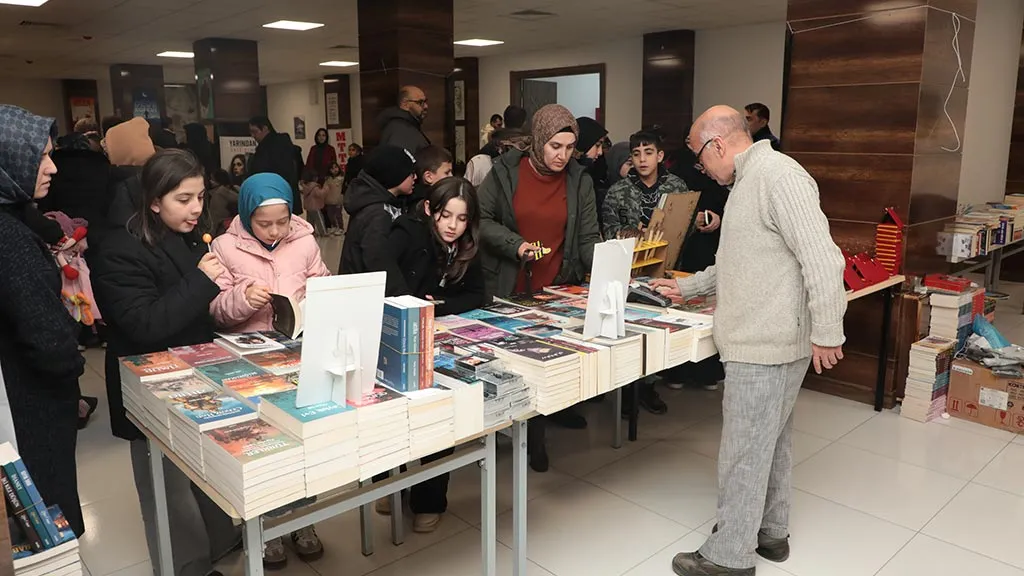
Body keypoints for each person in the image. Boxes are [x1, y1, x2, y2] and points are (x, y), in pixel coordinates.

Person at [649, 106, 846, 576]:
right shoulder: (747, 181)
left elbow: (823, 258)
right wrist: (692, 287)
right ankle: (770, 533)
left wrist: (827, 330)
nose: (702, 168)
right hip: (765, 337)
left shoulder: (778, 176)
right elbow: (742, 259)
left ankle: (729, 556)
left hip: (766, 341)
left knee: (744, 450)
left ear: (717, 145)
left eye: (699, 158)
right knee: (771, 443)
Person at [92, 149, 240, 576]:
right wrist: (203, 280)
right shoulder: (118, 248)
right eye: (184, 199)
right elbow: (145, 325)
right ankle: (187, 569)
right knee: (168, 489)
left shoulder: (186, 233)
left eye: (200, 197)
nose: (196, 208)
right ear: (154, 200)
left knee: (204, 470)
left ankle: (219, 543)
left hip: (195, 374)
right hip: (150, 388)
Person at [207, 172, 329, 565]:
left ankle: (303, 519)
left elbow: (323, 284)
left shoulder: (306, 240)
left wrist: (317, 299)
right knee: (262, 447)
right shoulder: (225, 247)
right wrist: (243, 299)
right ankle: (265, 528)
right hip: (250, 361)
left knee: (303, 438)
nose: (276, 230)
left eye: (283, 220)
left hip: (299, 354)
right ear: (246, 215)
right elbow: (215, 309)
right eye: (265, 223)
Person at [478, 104, 601, 472]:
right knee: (517, 360)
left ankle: (545, 427)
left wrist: (612, 266)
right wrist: (514, 243)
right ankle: (527, 434)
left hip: (557, 282)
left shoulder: (579, 180)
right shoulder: (504, 173)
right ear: (537, 142)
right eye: (555, 147)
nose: (562, 156)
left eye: (569, 148)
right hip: (510, 278)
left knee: (552, 358)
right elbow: (481, 220)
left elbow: (587, 238)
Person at [0, 105, 86, 537]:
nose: (52, 168)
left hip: (21, 397)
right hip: (30, 404)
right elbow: (45, 337)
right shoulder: (9, 236)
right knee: (45, 521)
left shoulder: (16, 217)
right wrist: (73, 362)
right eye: (40, 157)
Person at [384, 177, 485, 532]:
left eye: (461, 219)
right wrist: (414, 305)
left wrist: (438, 307)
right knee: (394, 416)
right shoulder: (407, 232)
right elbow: (383, 275)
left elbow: (478, 295)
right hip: (396, 334)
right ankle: (388, 486)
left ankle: (428, 499)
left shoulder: (468, 246)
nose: (452, 226)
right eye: (445, 216)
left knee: (440, 416)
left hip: (439, 340)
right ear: (430, 209)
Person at [601, 130, 690, 416]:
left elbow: (684, 225)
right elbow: (608, 231)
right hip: (630, 269)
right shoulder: (618, 190)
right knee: (630, 331)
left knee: (655, 332)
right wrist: (633, 234)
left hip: (665, 267)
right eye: (636, 154)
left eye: (648, 152)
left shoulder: (677, 186)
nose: (642, 159)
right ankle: (628, 390)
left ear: (660, 155)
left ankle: (649, 386)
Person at [340, 144, 416, 278]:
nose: (415, 177)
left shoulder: (385, 203)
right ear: (395, 176)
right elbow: (378, 261)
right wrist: (402, 295)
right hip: (366, 291)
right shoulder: (376, 214)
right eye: (410, 173)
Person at [248, 116, 302, 215]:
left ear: (265, 128)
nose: (253, 135)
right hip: (282, 196)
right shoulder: (276, 144)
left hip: (275, 196)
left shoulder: (274, 146)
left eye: (255, 131)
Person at [378, 85, 431, 154]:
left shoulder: (406, 126)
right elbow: (399, 162)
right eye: (420, 102)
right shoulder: (401, 129)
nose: (426, 106)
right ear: (405, 104)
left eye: (425, 101)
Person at [207, 169, 239, 237]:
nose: (210, 181)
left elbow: (214, 218)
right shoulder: (237, 189)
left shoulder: (217, 194)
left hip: (222, 231)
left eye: (212, 179)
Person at [299, 167, 328, 237]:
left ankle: (311, 231)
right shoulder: (314, 187)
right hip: (315, 207)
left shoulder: (305, 187)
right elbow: (320, 194)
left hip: (308, 207)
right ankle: (323, 232)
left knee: (310, 220)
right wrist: (325, 189)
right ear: (315, 178)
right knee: (319, 220)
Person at [324, 161, 345, 235]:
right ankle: (334, 226)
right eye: (332, 168)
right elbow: (325, 188)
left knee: (338, 215)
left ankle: (341, 228)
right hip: (329, 200)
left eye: (336, 167)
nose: (335, 169)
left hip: (338, 200)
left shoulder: (342, 179)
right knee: (330, 215)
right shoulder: (328, 179)